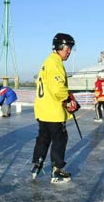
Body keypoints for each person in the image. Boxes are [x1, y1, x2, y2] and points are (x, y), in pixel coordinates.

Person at [31, 33, 79, 184]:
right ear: (59, 47)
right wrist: (68, 100)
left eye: (70, 48)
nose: (69, 51)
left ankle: (37, 164)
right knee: (60, 138)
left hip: (43, 110)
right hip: (54, 111)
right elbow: (58, 89)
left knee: (43, 138)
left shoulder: (47, 62)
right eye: (67, 48)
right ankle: (57, 171)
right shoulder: (55, 63)